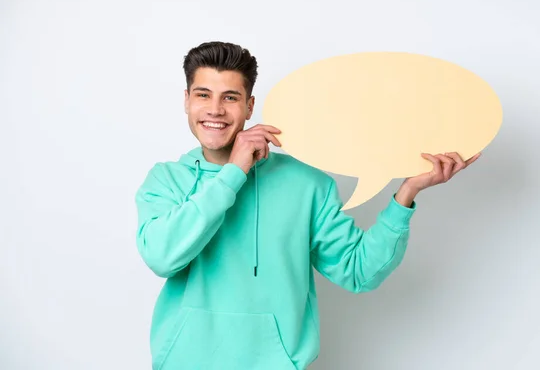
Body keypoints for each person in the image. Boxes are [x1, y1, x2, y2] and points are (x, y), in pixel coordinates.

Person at [134, 41, 480, 370]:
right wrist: (233, 172)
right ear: (186, 100)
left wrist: (407, 193)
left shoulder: (306, 183)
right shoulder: (166, 180)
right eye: (203, 95)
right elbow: (162, 257)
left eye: (230, 97)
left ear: (250, 106)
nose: (215, 109)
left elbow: (359, 272)